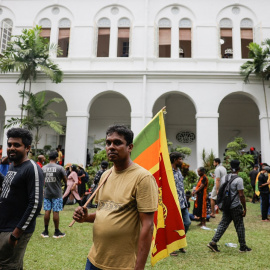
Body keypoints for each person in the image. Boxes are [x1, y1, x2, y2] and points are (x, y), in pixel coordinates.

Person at [72, 125, 158, 270]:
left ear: (130, 147)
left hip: (123, 264)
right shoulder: (106, 175)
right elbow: (105, 212)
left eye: (117, 143)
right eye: (108, 143)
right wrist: (85, 218)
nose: (111, 147)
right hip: (94, 258)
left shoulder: (143, 178)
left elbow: (148, 226)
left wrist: (139, 267)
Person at [0, 128, 44, 269]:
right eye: (9, 144)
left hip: (14, 229)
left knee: (8, 265)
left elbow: (35, 204)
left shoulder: (32, 168)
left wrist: (15, 235)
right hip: (4, 225)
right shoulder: (13, 165)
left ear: (27, 148)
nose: (11, 148)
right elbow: (10, 185)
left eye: (16, 145)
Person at [207, 160, 251, 253]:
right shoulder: (239, 180)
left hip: (226, 206)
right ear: (239, 168)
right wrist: (244, 208)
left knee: (223, 224)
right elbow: (241, 195)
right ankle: (242, 246)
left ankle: (213, 242)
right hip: (235, 206)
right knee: (239, 226)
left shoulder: (224, 178)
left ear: (230, 168)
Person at [41, 151, 67, 238]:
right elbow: (66, 180)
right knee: (56, 211)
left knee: (47, 211)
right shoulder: (60, 168)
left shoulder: (43, 168)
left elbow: (41, 180)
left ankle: (45, 231)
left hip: (47, 193)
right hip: (57, 193)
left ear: (48, 158)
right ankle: (56, 232)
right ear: (56, 158)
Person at [170, 152, 191, 255]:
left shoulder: (179, 171)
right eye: (180, 159)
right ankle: (173, 247)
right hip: (173, 204)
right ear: (174, 160)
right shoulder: (168, 172)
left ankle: (180, 243)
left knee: (187, 223)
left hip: (182, 203)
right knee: (174, 226)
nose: (182, 161)